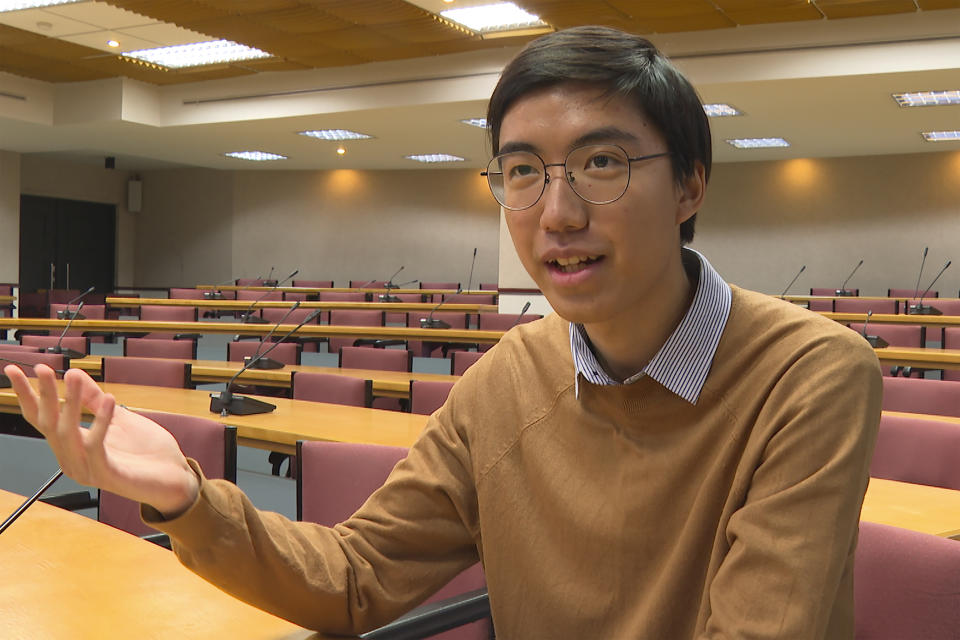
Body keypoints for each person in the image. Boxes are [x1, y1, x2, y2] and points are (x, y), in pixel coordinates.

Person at [4, 26, 881, 638]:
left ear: (690, 186)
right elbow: (355, 577)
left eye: (603, 164)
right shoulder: (509, 378)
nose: (558, 212)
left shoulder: (808, 377)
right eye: (523, 173)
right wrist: (188, 499)